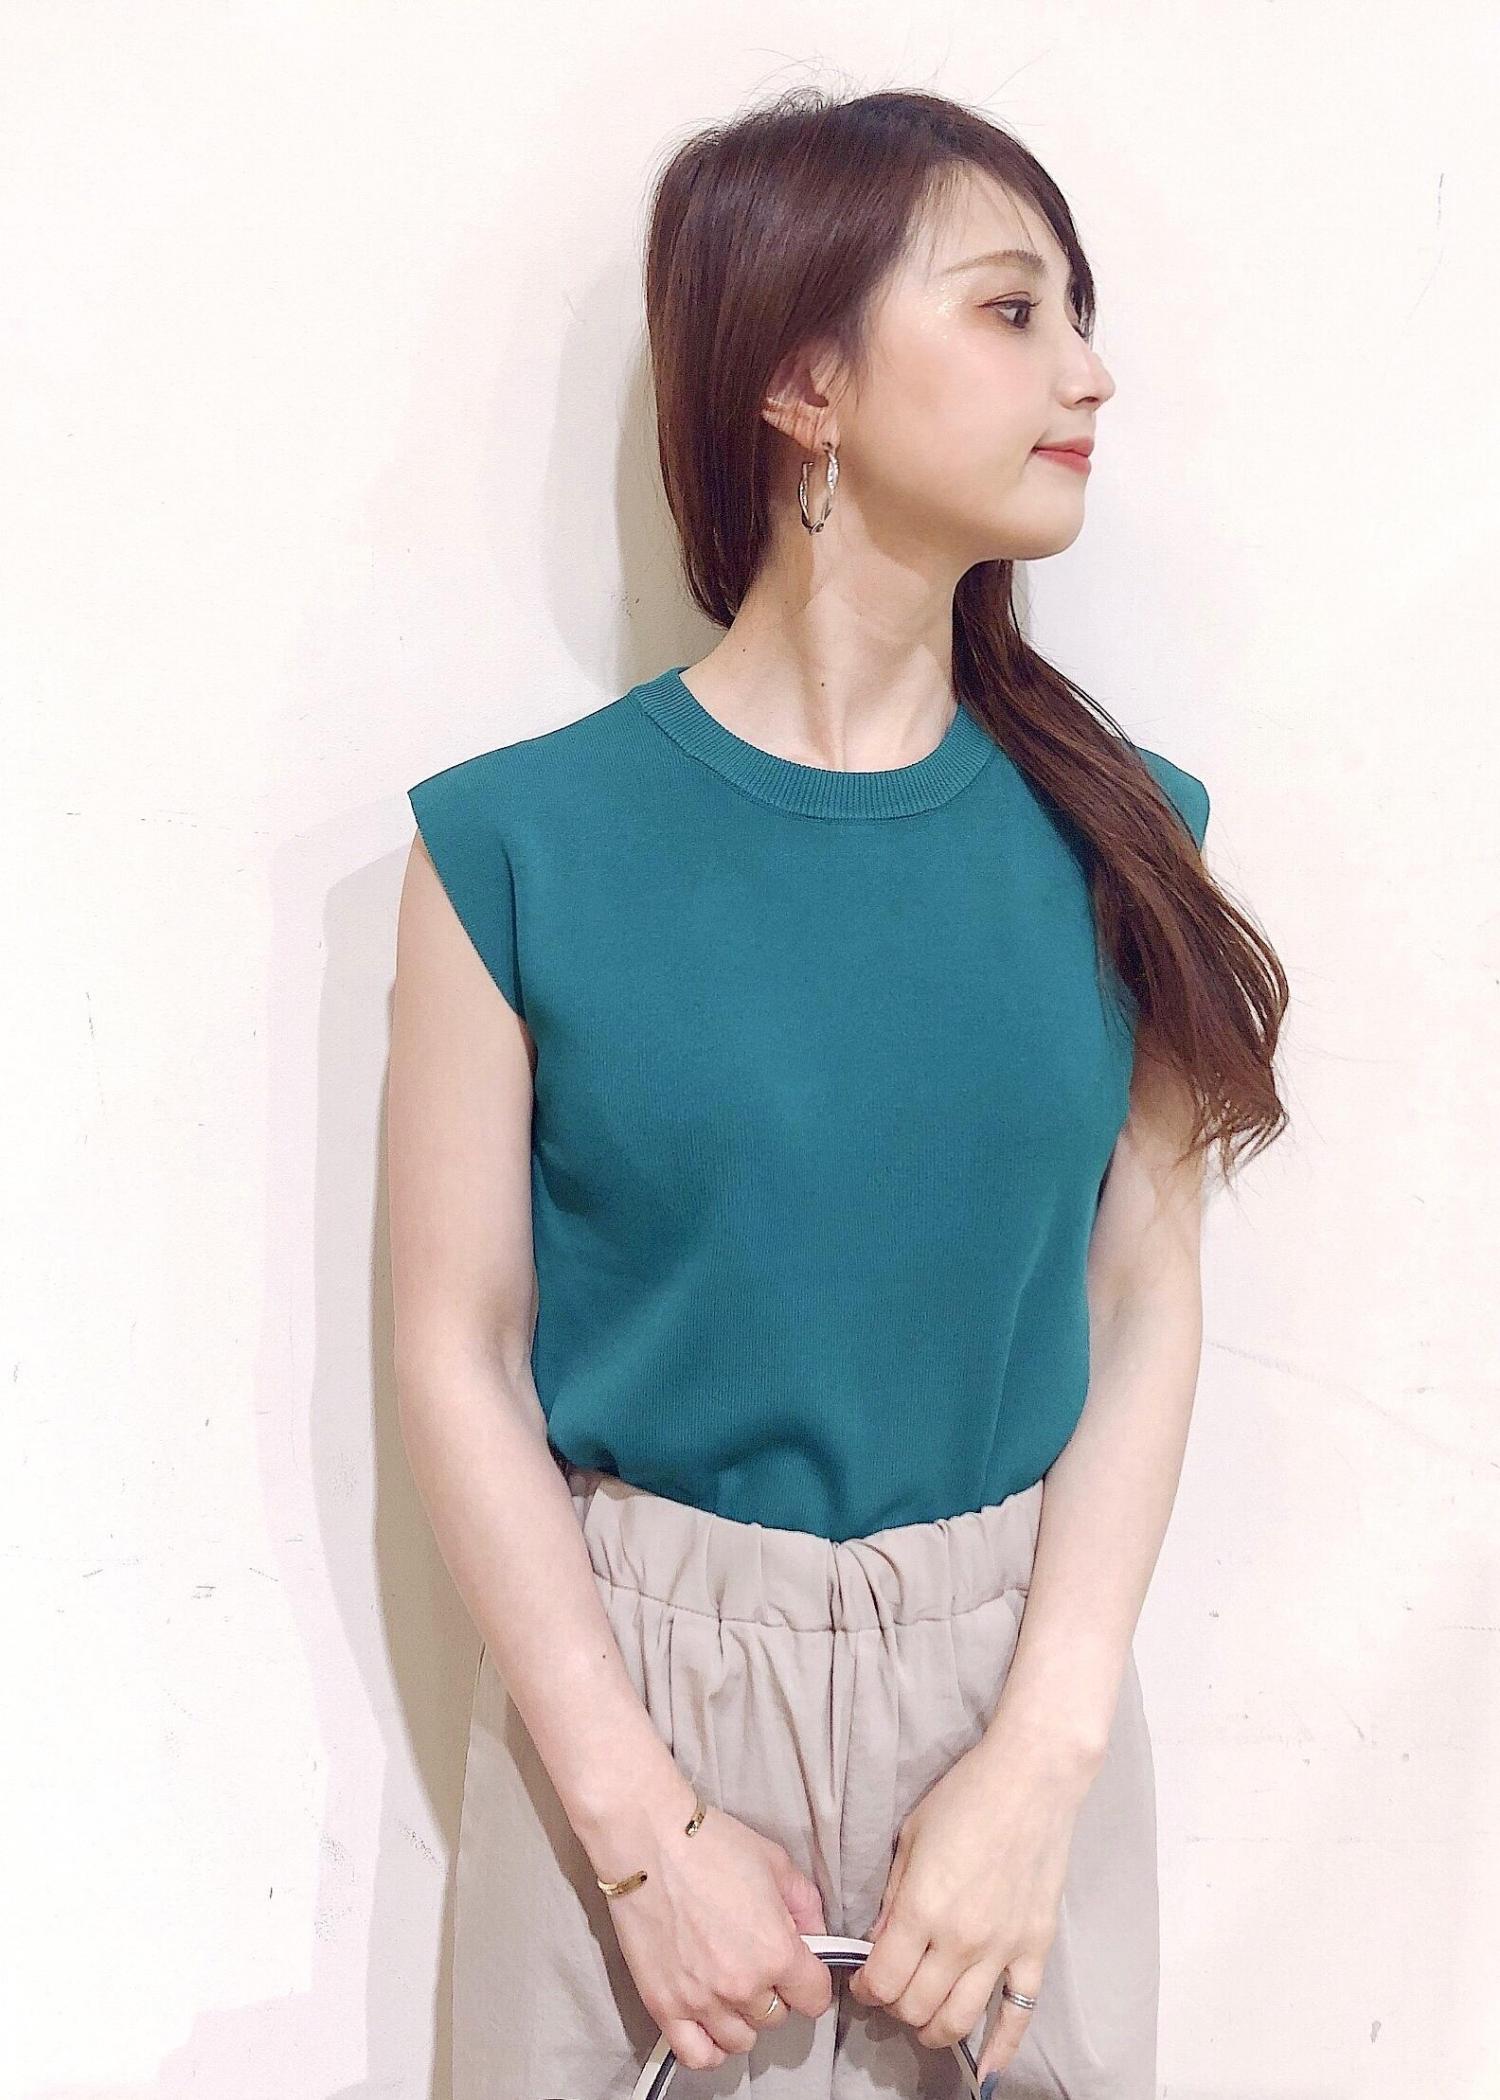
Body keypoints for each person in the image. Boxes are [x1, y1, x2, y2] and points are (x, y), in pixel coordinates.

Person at [387, 85, 1289, 2100]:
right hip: (627, 1711)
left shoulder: (1132, 839)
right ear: (804, 382)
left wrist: (1046, 1751)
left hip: (1011, 1707)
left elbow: (1143, 1302)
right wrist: (641, 1834)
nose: (1089, 373)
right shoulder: (519, 849)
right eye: (1013, 311)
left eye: (1080, 316)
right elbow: (456, 1347)